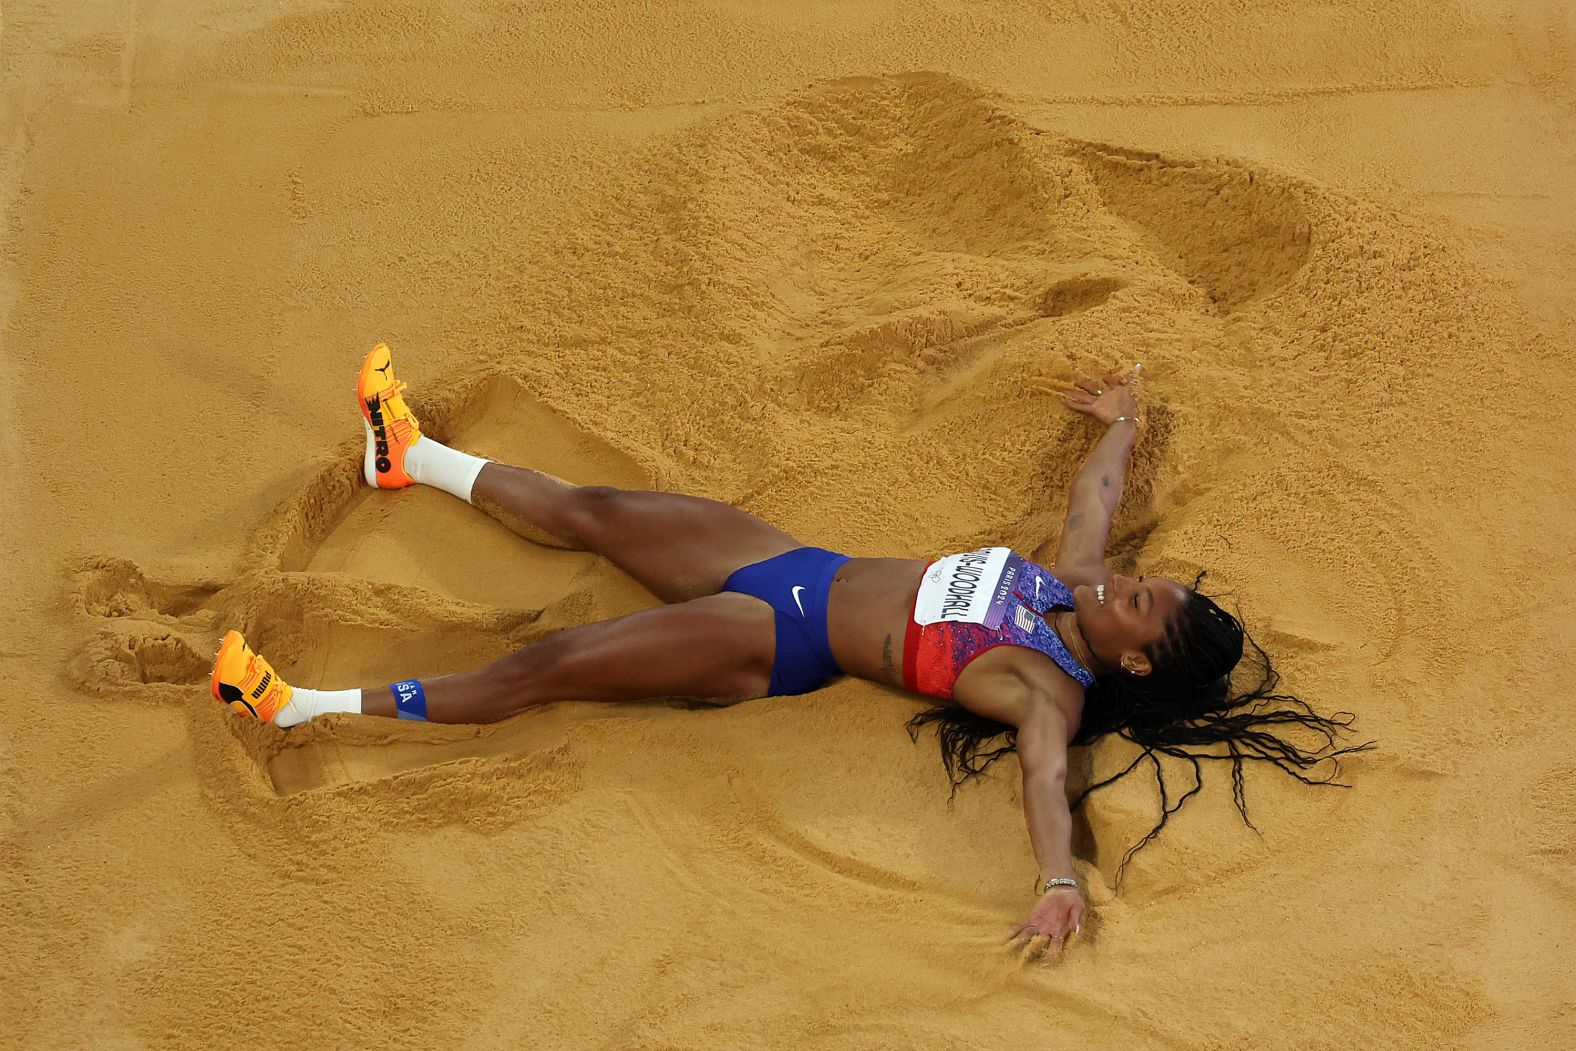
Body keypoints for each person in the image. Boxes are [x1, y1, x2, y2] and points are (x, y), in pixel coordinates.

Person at [212, 344, 1374, 961]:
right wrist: (1124, 414)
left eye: (1143, 603)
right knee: (598, 510)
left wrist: (1060, 884)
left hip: (777, 639)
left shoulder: (1044, 693)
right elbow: (1098, 494)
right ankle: (406, 455)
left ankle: (298, 707)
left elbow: (1039, 785)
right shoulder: (1065, 585)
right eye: (1147, 578)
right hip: (788, 561)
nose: (1128, 580)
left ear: (1132, 662)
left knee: (555, 662)